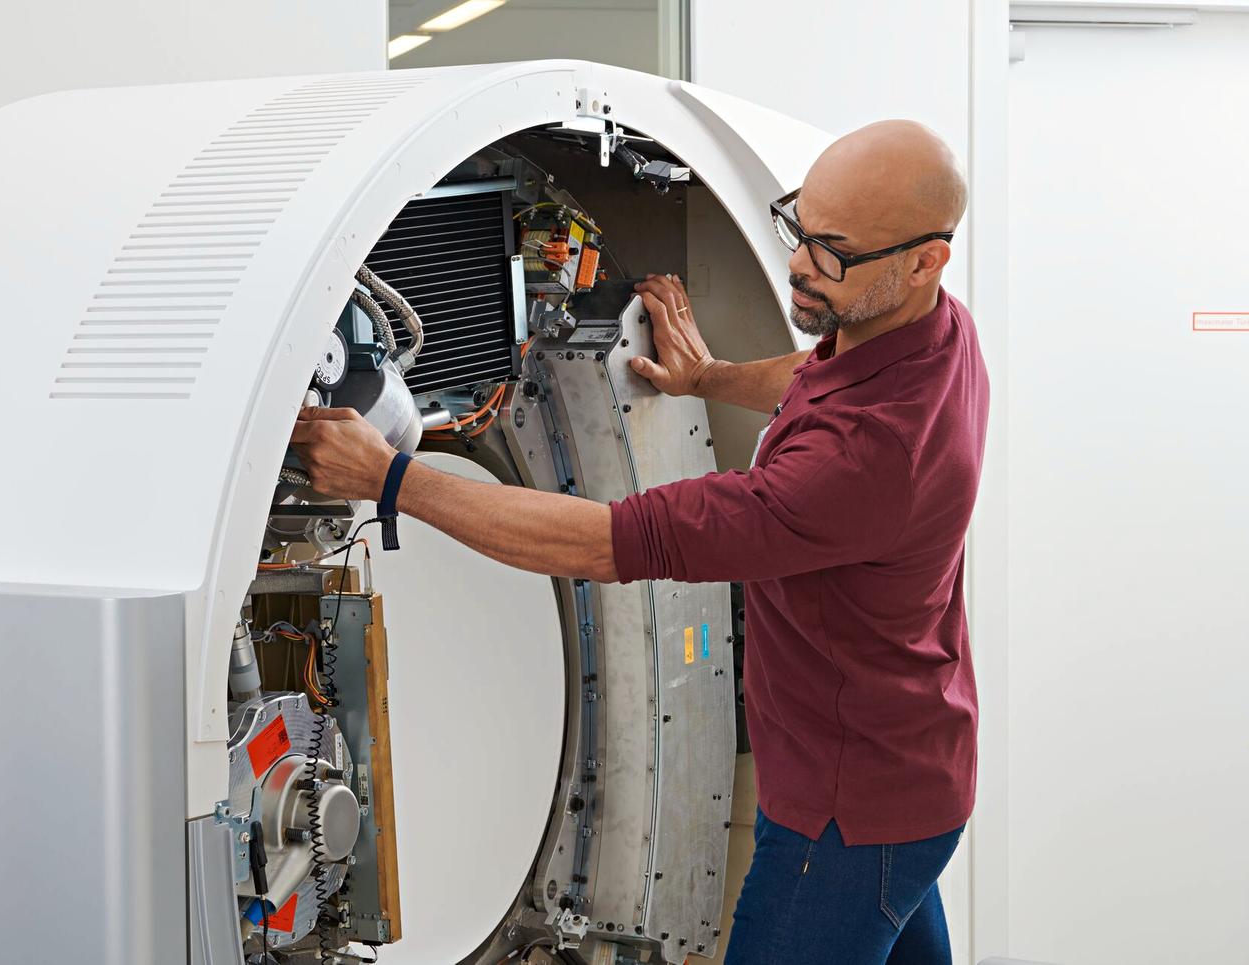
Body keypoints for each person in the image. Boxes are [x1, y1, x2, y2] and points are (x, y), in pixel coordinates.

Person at [290, 119, 988, 965]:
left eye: (833, 253)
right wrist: (709, 379)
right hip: (912, 778)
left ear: (925, 260)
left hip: (842, 817)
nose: (801, 264)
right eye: (799, 226)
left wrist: (391, 478)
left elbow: (603, 543)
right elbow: (820, 375)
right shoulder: (933, 335)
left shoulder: (862, 466)